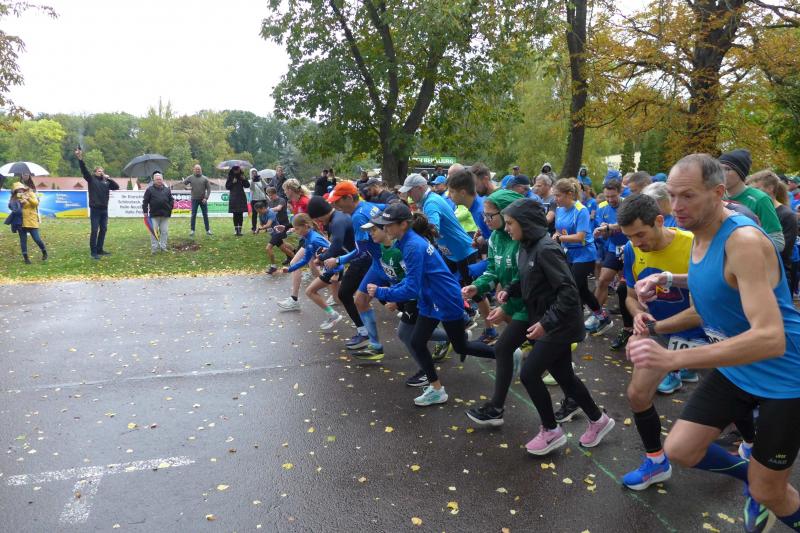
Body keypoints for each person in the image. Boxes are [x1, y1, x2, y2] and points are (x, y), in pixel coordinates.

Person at [628, 153, 800, 533]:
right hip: (737, 366)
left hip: (784, 376)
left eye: (688, 196)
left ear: (718, 193)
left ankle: (763, 489)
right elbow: (719, 277)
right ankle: (753, 478)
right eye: (672, 195)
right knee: (680, 449)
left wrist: (672, 360)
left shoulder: (743, 241)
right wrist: (667, 279)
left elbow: (770, 339)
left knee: (770, 491)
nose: (676, 206)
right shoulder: (699, 230)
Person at [500, 198, 615, 455]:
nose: (506, 228)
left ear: (526, 223)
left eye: (510, 223)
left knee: (529, 374)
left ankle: (551, 430)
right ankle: (598, 420)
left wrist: (545, 323)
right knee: (564, 376)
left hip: (559, 324)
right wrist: (510, 290)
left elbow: (569, 293)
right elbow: (529, 279)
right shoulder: (526, 246)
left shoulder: (546, 249)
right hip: (547, 321)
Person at [615, 193, 706, 490]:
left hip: (708, 336)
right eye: (630, 236)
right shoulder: (632, 250)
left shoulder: (693, 243)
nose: (636, 242)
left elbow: (700, 312)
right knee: (637, 394)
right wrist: (639, 315)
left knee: (733, 401)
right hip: (662, 334)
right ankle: (656, 462)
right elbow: (630, 297)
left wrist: (653, 328)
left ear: (658, 221)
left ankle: (750, 448)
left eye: (640, 234)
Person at [366, 203, 496, 406]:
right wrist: (389, 290)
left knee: (461, 346)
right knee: (417, 342)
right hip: (430, 298)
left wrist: (383, 292)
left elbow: (411, 288)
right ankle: (437, 389)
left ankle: (504, 354)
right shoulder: (406, 242)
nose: (384, 228)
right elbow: (412, 281)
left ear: (403, 224)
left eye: (388, 224)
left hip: (445, 298)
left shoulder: (412, 246)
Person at [400, 173, 493, 342]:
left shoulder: (431, 203)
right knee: (442, 285)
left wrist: (414, 240)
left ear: (420, 188)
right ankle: (463, 317)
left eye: (410, 191)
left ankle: (489, 329)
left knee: (476, 293)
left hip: (464, 252)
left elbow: (432, 228)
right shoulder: (429, 200)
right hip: (451, 253)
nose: (409, 195)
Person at [461, 189, 526, 426]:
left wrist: (506, 308)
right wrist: (477, 287)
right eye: (484, 216)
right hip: (515, 305)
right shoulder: (496, 238)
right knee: (528, 354)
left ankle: (497, 408)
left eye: (490, 216)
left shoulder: (523, 240)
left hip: (532, 308)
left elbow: (525, 281)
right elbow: (492, 271)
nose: (486, 220)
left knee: (508, 351)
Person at [323, 181, 386, 359]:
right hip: (377, 263)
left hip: (384, 263)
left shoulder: (358, 216)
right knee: (360, 300)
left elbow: (361, 251)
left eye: (338, 201)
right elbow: (390, 207)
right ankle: (375, 346)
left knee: (407, 306)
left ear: (349, 198)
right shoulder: (369, 205)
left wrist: (339, 260)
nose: (335, 206)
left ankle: (443, 332)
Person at [280, 213, 343, 327]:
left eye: (297, 229)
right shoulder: (308, 239)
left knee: (311, 292)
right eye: (295, 229)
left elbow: (334, 252)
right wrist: (290, 269)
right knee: (339, 298)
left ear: (305, 226)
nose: (296, 231)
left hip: (333, 270)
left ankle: (338, 315)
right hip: (330, 270)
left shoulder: (315, 239)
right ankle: (342, 315)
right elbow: (305, 259)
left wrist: (337, 272)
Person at [720, 148, 785, 252]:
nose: (721, 174)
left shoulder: (760, 199)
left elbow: (778, 241)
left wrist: (746, 252)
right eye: (718, 169)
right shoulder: (718, 196)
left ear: (740, 172)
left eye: (727, 169)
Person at [748, 170, 797, 293]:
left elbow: (784, 251)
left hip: (779, 277)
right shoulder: (754, 211)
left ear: (770, 188)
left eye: (756, 189)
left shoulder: (787, 215)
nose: (753, 193)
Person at [589, 179, 626, 334]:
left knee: (626, 286)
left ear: (620, 192)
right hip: (613, 248)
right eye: (607, 196)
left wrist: (609, 227)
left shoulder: (627, 204)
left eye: (613, 196)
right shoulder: (602, 207)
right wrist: (601, 232)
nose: (610, 200)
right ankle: (596, 315)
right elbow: (605, 233)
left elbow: (627, 225)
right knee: (603, 280)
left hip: (632, 247)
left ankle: (630, 322)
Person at [75, 147, 120, 259]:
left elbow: (116, 187)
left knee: (103, 229)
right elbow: (84, 170)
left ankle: (100, 249)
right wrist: (80, 158)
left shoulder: (106, 181)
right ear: (95, 172)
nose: (101, 172)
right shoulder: (91, 179)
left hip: (104, 209)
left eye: (102, 171)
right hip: (95, 209)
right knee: (95, 230)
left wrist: (109, 178)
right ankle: (93, 252)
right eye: (99, 171)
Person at [8, 182, 47, 263]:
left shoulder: (30, 193)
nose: (20, 190)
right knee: (23, 240)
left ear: (23, 188)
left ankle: (44, 251)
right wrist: (20, 203)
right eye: (17, 190)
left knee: (37, 239)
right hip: (20, 222)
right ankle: (26, 258)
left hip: (31, 220)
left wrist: (28, 198)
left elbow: (35, 204)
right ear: (15, 191)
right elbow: (13, 208)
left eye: (20, 188)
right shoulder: (15, 198)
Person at [264, 187, 295, 274]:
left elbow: (278, 208)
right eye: (268, 195)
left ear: (275, 194)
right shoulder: (270, 202)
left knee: (279, 244)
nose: (270, 197)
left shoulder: (281, 200)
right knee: (281, 243)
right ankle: (293, 254)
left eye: (271, 195)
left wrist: (268, 210)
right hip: (275, 226)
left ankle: (292, 258)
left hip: (283, 224)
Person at [142, 172, 175, 254]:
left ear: (162, 180)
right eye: (157, 179)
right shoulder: (149, 190)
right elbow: (145, 201)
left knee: (164, 232)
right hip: (154, 215)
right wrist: (145, 212)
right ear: (154, 180)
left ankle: (163, 247)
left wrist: (170, 208)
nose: (159, 181)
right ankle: (154, 249)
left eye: (160, 179)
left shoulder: (167, 190)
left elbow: (171, 200)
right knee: (154, 232)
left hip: (165, 215)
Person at [183, 164, 212, 236]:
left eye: (199, 169)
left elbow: (209, 189)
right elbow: (184, 184)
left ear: (201, 170)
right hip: (194, 199)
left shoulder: (205, 178)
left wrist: (206, 198)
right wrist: (187, 187)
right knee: (193, 215)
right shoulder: (190, 177)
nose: (197, 170)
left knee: (205, 215)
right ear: (194, 170)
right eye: (196, 169)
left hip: (203, 200)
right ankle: (192, 230)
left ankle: (208, 230)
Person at [225, 166, 249, 236]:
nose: (238, 171)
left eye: (238, 169)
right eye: (236, 170)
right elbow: (227, 187)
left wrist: (244, 179)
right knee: (235, 214)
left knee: (240, 214)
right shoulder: (230, 176)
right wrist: (232, 182)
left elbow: (247, 185)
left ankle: (240, 230)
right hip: (234, 197)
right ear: (233, 170)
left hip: (241, 197)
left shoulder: (242, 176)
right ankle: (236, 230)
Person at [249, 168, 268, 234]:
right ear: (251, 174)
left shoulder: (260, 179)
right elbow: (252, 188)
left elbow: (265, 186)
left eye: (255, 172)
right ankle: (254, 228)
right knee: (254, 214)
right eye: (253, 173)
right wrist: (253, 180)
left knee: (264, 213)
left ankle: (265, 227)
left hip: (262, 199)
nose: (254, 174)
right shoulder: (250, 181)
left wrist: (261, 180)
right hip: (254, 199)